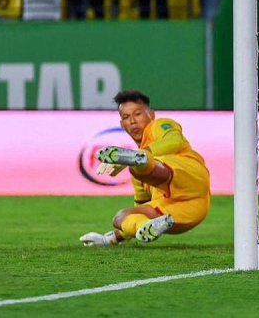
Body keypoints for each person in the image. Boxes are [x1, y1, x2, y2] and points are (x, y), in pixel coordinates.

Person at [80, 89, 211, 246]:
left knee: (138, 167)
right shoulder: (137, 173)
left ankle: (141, 160)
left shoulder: (158, 126)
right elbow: (142, 205)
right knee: (120, 217)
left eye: (138, 114)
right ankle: (146, 228)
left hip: (190, 179)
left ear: (152, 115)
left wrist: (140, 154)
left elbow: (175, 141)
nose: (133, 121)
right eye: (126, 117)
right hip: (185, 211)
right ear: (122, 124)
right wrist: (111, 238)